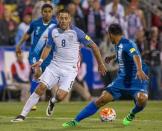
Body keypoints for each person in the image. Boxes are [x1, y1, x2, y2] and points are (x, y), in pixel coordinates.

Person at [11, 9, 107, 122]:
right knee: (41, 87)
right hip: (55, 65)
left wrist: (100, 64)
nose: (63, 21)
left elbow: (94, 46)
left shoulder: (77, 32)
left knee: (61, 97)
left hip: (70, 69)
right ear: (58, 18)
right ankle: (22, 115)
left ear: (69, 19)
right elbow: (48, 47)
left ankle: (53, 101)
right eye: (61, 18)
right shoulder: (53, 31)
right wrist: (41, 60)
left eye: (66, 18)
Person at [62, 23, 149, 127]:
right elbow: (122, 54)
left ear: (110, 34)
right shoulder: (119, 44)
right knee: (102, 99)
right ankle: (75, 121)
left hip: (137, 79)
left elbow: (135, 56)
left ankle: (132, 114)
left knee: (142, 100)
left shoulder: (128, 44)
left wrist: (139, 70)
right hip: (121, 80)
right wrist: (112, 57)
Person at [15, 3, 57, 110]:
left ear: (52, 13)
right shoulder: (35, 23)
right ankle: (32, 102)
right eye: (45, 11)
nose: (47, 14)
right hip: (35, 53)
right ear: (41, 12)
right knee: (37, 72)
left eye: (49, 11)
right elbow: (27, 34)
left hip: (48, 55)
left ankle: (47, 97)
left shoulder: (55, 24)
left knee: (45, 78)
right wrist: (19, 45)